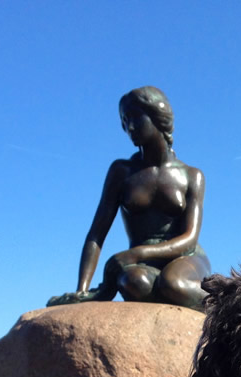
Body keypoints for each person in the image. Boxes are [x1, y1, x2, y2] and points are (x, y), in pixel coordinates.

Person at [48, 87, 211, 310]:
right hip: (142, 263)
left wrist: (135, 253)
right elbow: (96, 234)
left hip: (185, 257)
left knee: (174, 284)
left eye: (135, 118)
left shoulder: (192, 175)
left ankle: (223, 308)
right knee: (133, 282)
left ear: (157, 116)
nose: (129, 127)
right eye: (124, 121)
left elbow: (189, 239)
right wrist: (82, 290)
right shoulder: (122, 172)